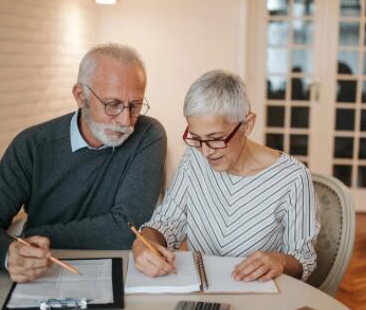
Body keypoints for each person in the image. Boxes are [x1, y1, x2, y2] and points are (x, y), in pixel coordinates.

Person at [0, 43, 167, 283]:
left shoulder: (148, 134)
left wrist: (32, 235)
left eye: (135, 105)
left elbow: (126, 229)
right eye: (113, 104)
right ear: (81, 96)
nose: (126, 120)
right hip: (44, 275)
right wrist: (11, 254)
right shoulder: (32, 145)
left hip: (122, 274)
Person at [132, 70, 319, 282]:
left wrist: (280, 261)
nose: (206, 151)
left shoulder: (293, 178)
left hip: (257, 295)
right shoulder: (194, 158)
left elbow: (304, 258)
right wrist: (144, 241)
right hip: (199, 291)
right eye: (196, 138)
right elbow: (167, 221)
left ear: (247, 124)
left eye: (215, 138)